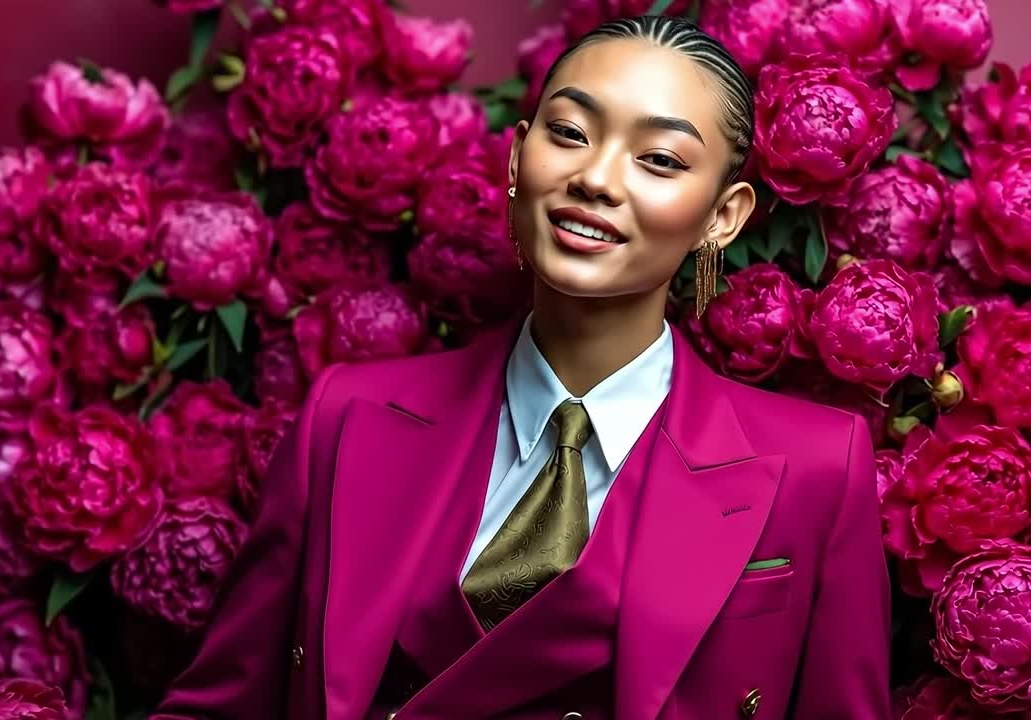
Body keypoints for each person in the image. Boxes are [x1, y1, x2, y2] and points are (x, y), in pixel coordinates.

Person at [153, 15, 890, 720]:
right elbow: (221, 705)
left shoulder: (819, 467)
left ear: (723, 216)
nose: (596, 179)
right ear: (516, 159)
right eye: (569, 134)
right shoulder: (345, 416)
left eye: (659, 160)